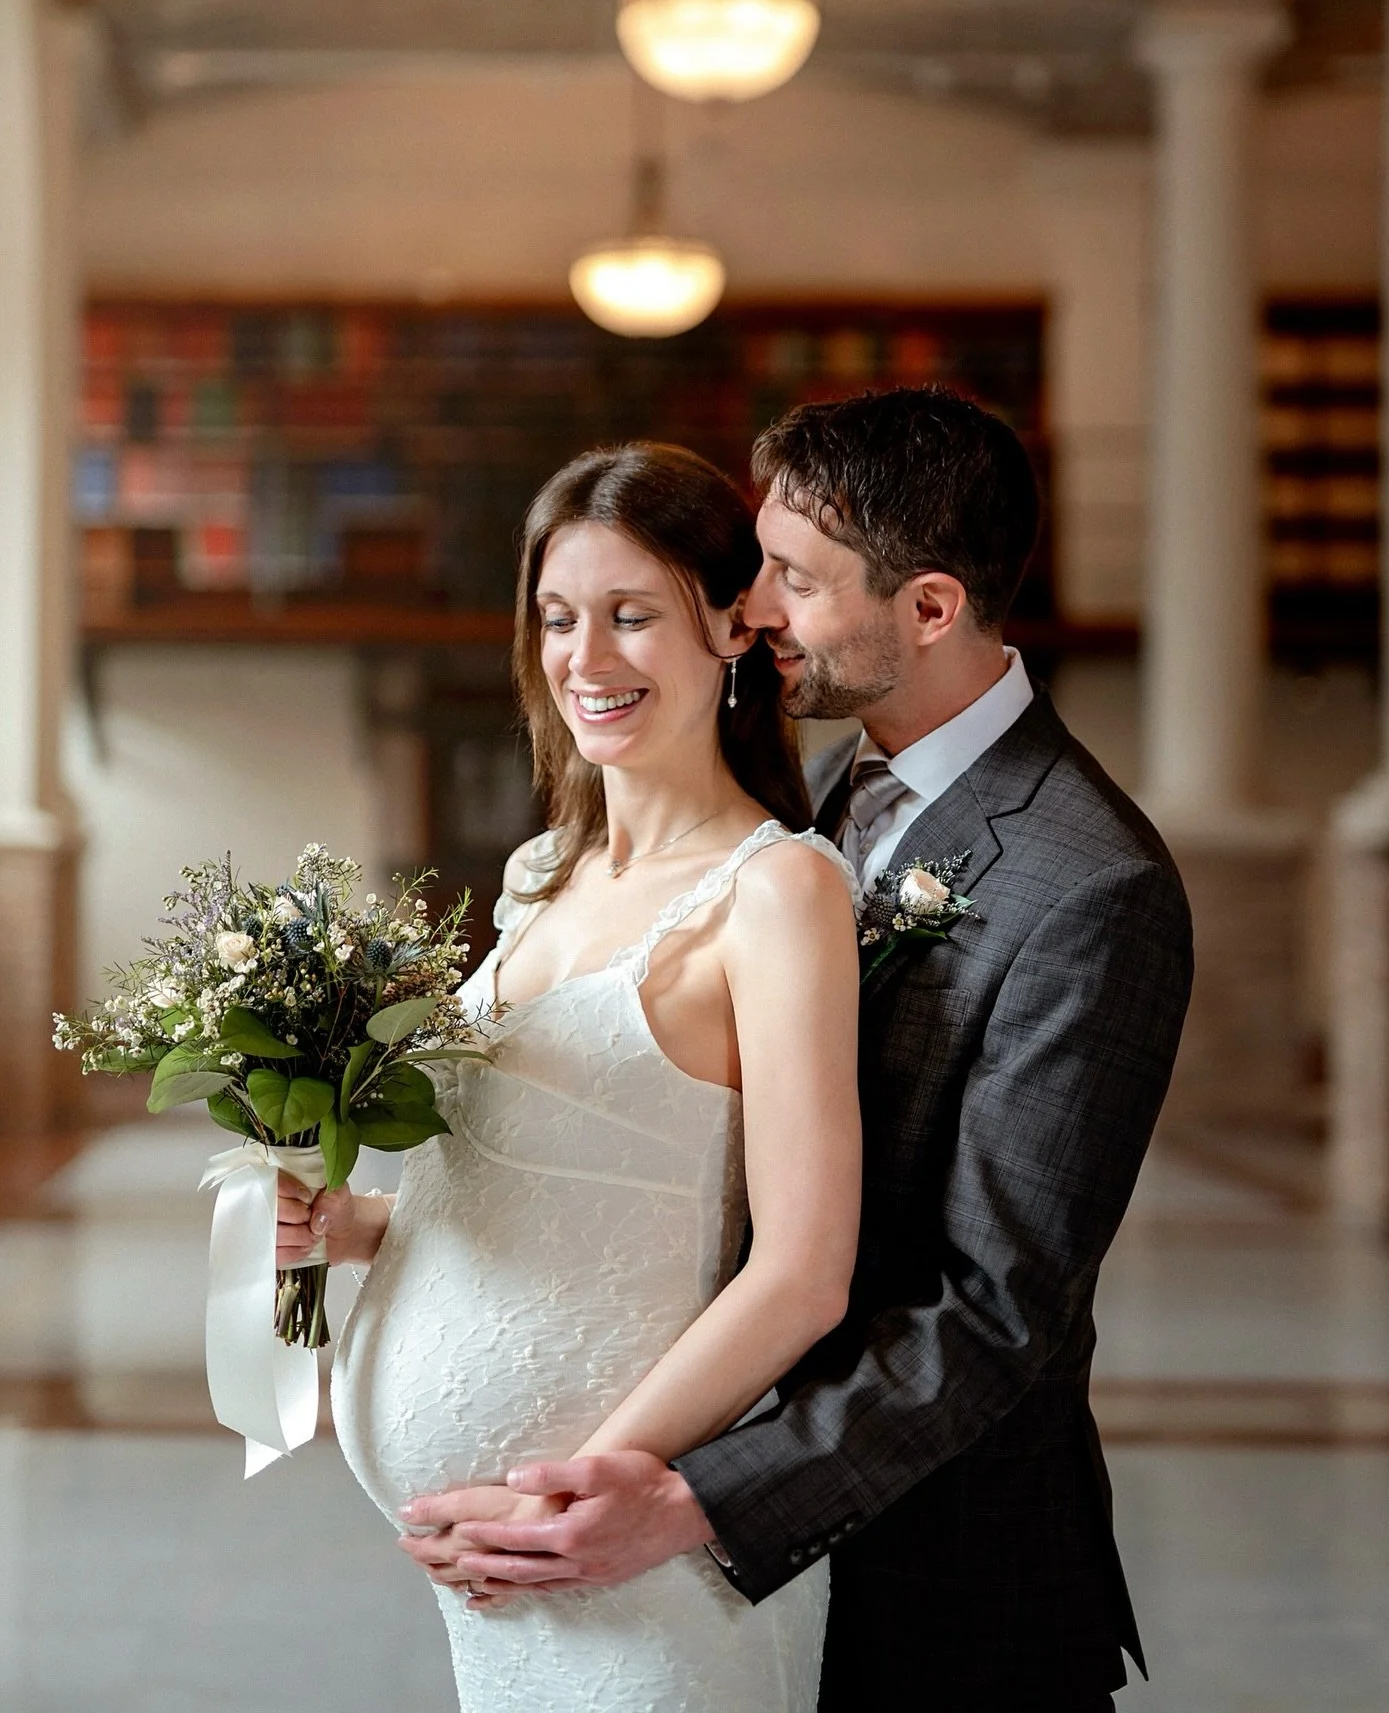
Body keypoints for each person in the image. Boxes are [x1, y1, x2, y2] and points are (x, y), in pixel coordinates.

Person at [411, 387, 1195, 1711]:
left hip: (943, 1585)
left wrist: (693, 1500)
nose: (753, 609)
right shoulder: (827, 791)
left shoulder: (1090, 885)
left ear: (930, 608)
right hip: (726, 1576)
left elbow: (995, 1308)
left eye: (793, 579)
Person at [279, 441, 862, 1711]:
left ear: (729, 625)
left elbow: (804, 1274)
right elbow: (559, 1187)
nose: (586, 659)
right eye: (558, 618)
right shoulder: (547, 872)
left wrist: (571, 1501)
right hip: (494, 1579)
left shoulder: (779, 893)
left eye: (631, 615)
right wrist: (353, 1225)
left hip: (624, 1556)